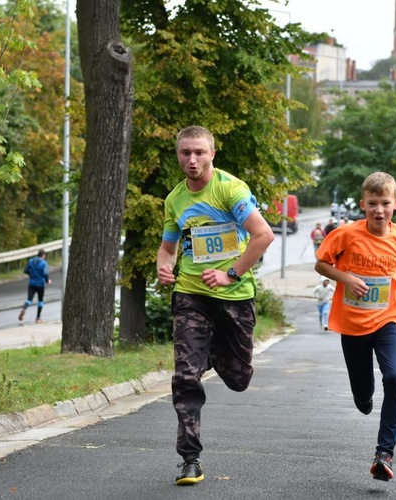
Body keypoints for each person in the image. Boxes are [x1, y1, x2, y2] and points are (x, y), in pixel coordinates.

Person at [156, 126, 274, 485]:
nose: (192, 160)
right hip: (191, 295)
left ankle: (206, 353)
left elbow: (263, 234)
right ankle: (190, 459)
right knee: (185, 377)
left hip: (235, 297)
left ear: (212, 154)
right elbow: (168, 247)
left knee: (239, 378)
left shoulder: (230, 189)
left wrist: (231, 274)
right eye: (185, 153)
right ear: (178, 155)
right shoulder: (175, 200)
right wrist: (163, 265)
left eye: (199, 153)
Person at [314, 171, 396, 482]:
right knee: (363, 393)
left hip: (386, 321)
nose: (379, 210)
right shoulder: (346, 234)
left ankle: (385, 452)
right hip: (352, 326)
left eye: (385, 203)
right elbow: (321, 263)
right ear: (363, 205)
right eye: (373, 204)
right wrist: (346, 277)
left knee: (395, 378)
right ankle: (363, 397)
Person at [17, 249, 51, 324]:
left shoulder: (31, 261)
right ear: (43, 255)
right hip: (40, 284)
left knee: (29, 300)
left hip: (32, 283)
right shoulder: (43, 263)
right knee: (40, 301)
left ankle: (24, 309)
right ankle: (38, 318)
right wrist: (47, 280)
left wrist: (31, 274)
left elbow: (25, 270)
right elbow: (45, 273)